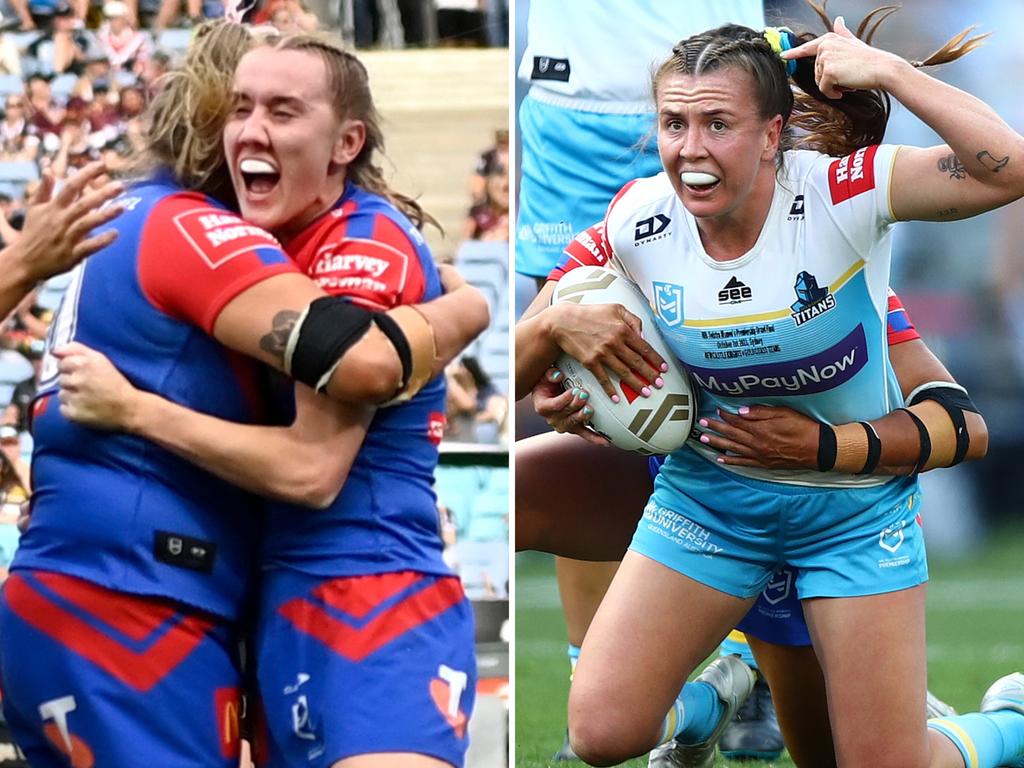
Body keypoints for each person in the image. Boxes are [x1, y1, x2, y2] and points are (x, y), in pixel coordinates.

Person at [516, 12, 1024, 768]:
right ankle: (719, 690)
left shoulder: (844, 199)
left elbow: (1007, 169)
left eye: (718, 123)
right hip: (709, 506)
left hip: (849, 517)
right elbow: (520, 356)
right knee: (601, 735)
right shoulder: (637, 218)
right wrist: (562, 337)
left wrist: (888, 71)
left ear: (772, 133)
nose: (690, 149)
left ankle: (1011, 724)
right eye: (673, 124)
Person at [0, 21, 489, 768]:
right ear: (209, 116)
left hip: (351, 599)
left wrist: (471, 310)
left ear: (344, 140)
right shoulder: (192, 230)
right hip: (143, 604)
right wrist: (459, 313)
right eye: (239, 108)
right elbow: (353, 376)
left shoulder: (339, 237)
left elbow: (314, 465)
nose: (252, 130)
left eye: (281, 111)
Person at [519, 290, 978, 767]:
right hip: (698, 495)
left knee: (847, 757)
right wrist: (553, 332)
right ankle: (703, 705)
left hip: (833, 521)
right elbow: (502, 368)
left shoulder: (839, 251)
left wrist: (823, 446)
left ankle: (1009, 720)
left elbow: (966, 425)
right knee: (512, 491)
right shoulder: (636, 230)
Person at [515, 1, 782, 759]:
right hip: (576, 102)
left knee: (759, 362)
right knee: (599, 393)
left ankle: (760, 649)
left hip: (725, 80)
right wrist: (544, 353)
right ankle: (604, 686)